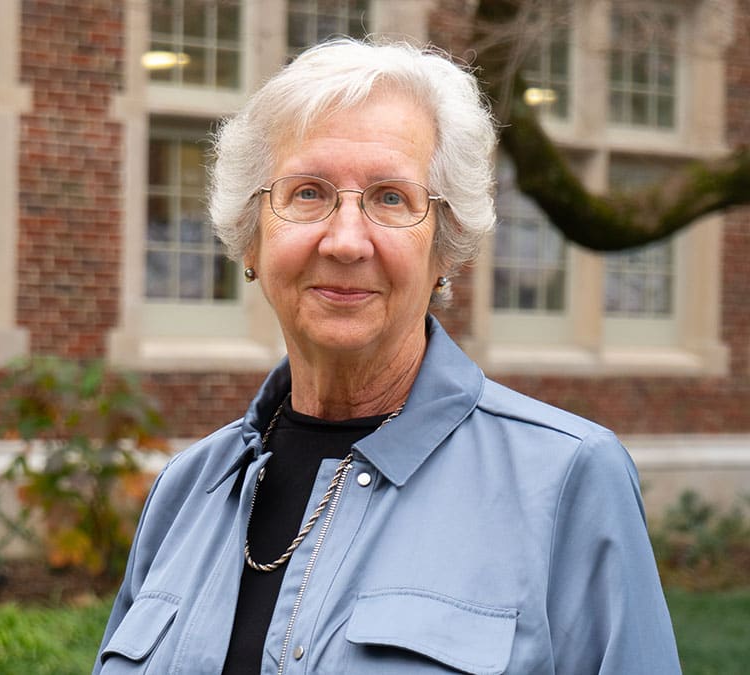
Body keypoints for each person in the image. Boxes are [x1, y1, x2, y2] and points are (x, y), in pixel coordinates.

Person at [93, 37, 680, 674]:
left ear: (444, 248)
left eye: (391, 198)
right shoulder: (186, 490)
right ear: (252, 239)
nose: (346, 242)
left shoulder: (567, 479)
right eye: (308, 192)